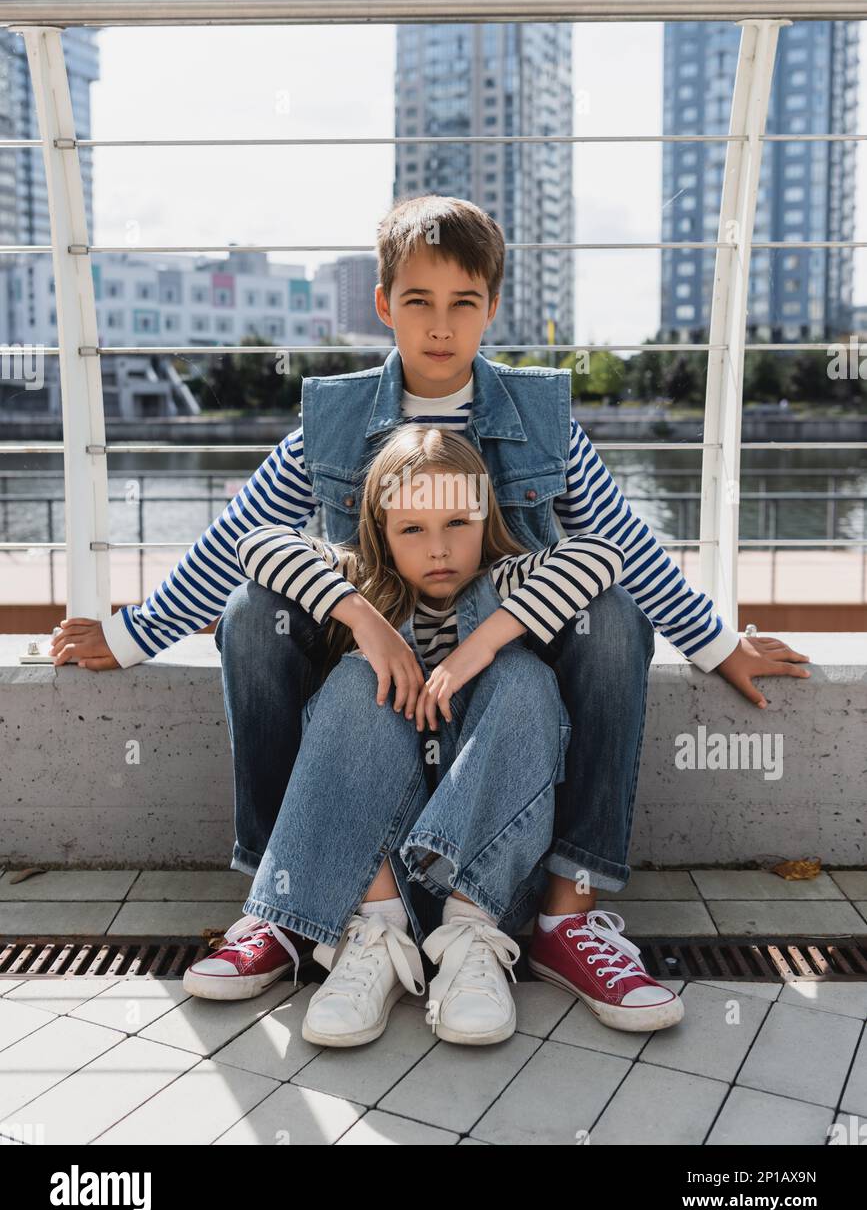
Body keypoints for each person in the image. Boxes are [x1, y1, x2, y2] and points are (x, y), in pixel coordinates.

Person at [49, 194, 811, 1032]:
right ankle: (284, 903)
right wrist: (132, 634)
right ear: (384, 306)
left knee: (617, 618)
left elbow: (617, 542)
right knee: (249, 615)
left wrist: (713, 643)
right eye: (417, 302)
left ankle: (564, 913)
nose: (440, 327)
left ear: (491, 306)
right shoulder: (336, 417)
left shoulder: (538, 415)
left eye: (462, 304)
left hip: (505, 636)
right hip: (365, 639)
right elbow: (244, 534)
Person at [185, 423, 669, 1046]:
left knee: (521, 678)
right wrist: (361, 617)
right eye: (412, 529)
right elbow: (256, 545)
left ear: (485, 520)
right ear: (382, 535)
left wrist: (481, 645)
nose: (438, 549)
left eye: (458, 525)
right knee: (359, 683)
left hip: (489, 860)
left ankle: (472, 943)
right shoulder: (362, 581)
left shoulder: (506, 580)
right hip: (374, 865)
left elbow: (603, 555)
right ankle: (372, 937)